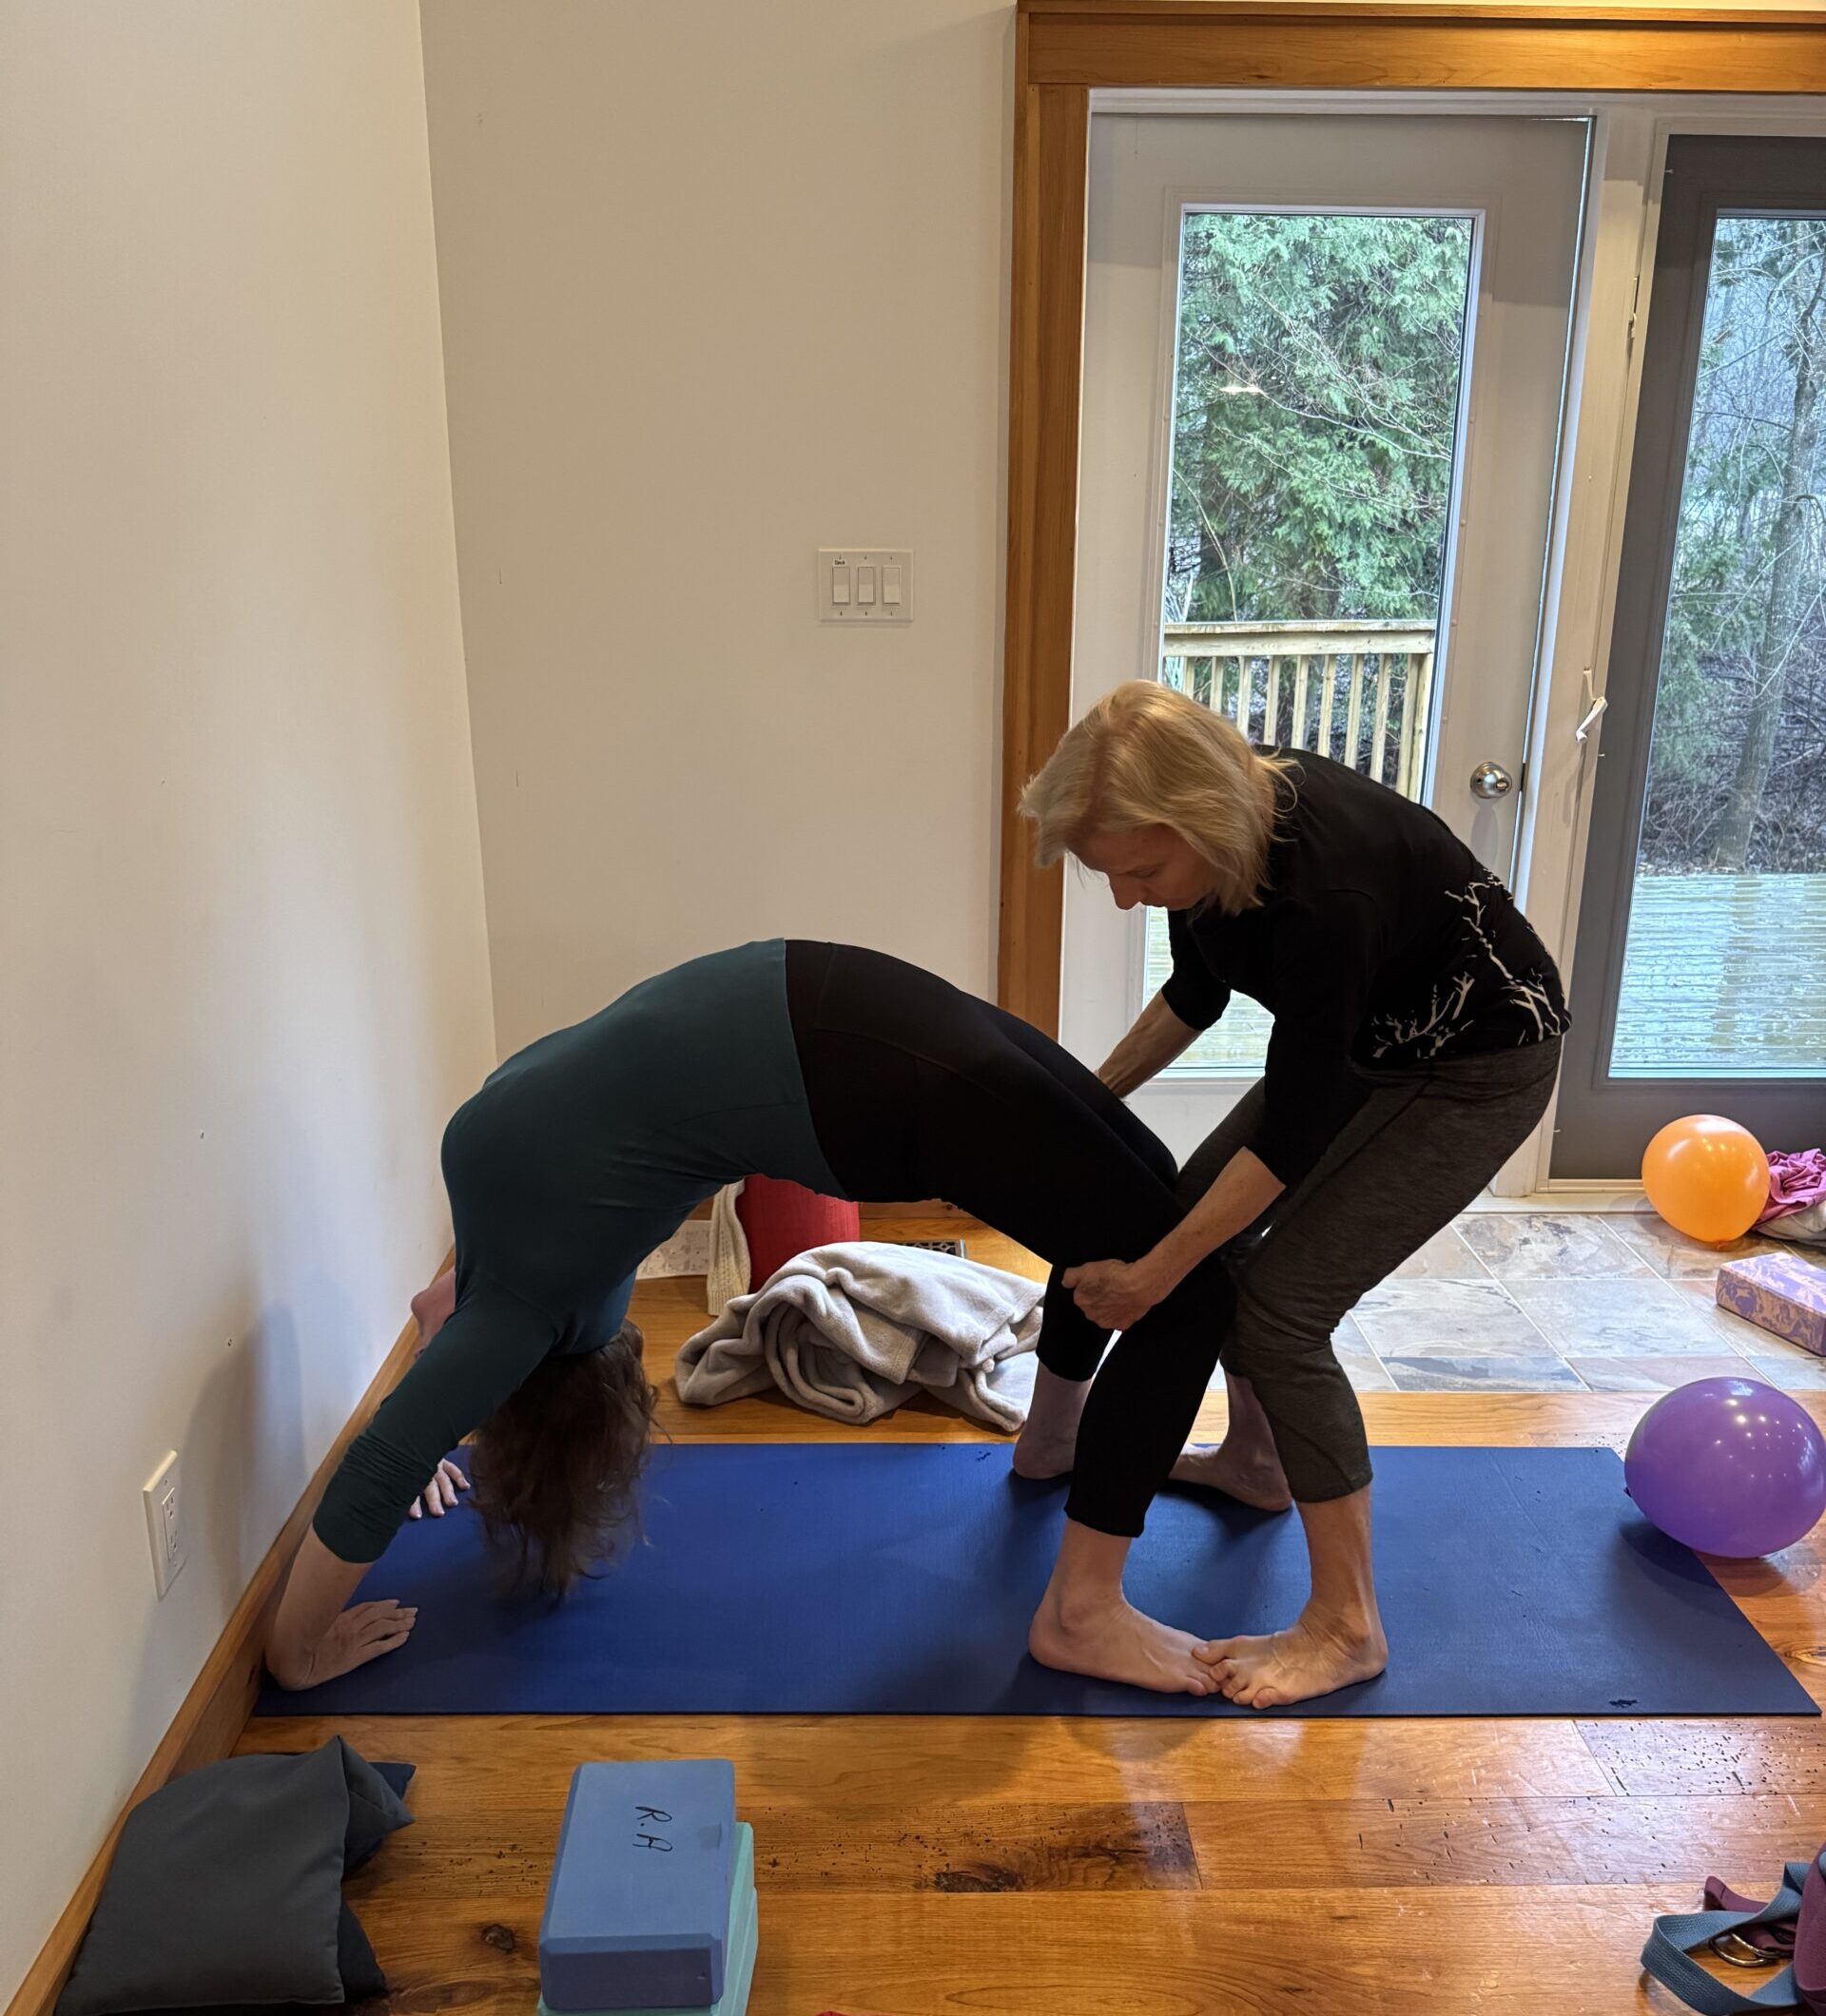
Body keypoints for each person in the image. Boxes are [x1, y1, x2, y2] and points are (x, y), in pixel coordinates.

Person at [269, 938, 1249, 1699]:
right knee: (1148, 1214)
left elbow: (385, 1457)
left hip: (846, 1082)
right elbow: (438, 1319)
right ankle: (1068, 1506)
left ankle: (1075, 1566)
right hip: (815, 988)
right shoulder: (482, 1167)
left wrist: (295, 1651)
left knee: (1173, 1266)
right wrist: (435, 1407)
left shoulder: (532, 1304)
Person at [1016, 680, 1569, 1707]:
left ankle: (1348, 1626)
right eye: (1109, 874)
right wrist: (1084, 1102)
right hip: (1368, 1044)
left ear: (1201, 823)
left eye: (1141, 872)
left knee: (1279, 1312)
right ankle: (1257, 1464)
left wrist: (1152, 1278)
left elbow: (1291, 1136)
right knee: (1190, 1237)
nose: (1127, 897)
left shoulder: (1325, 892)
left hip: (1475, 1067)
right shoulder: (1213, 849)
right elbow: (1196, 992)